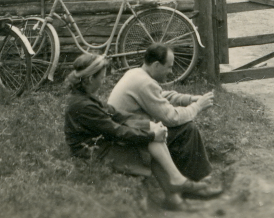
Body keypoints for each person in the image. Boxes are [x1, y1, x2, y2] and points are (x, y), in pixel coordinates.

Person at [63, 53, 213, 210]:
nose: (103, 80)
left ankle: (175, 188)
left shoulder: (85, 97)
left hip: (101, 142)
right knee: (150, 146)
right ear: (89, 79)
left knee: (153, 138)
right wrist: (150, 135)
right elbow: (117, 131)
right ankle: (175, 189)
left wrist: (148, 125)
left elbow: (116, 114)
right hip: (92, 151)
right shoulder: (83, 105)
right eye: (101, 77)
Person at [107, 43, 221, 197]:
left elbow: (160, 95)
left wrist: (190, 99)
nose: (171, 72)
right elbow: (172, 118)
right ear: (156, 65)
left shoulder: (136, 73)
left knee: (182, 129)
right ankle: (196, 185)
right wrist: (198, 106)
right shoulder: (144, 83)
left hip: (130, 132)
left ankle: (191, 181)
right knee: (187, 130)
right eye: (169, 67)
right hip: (130, 142)